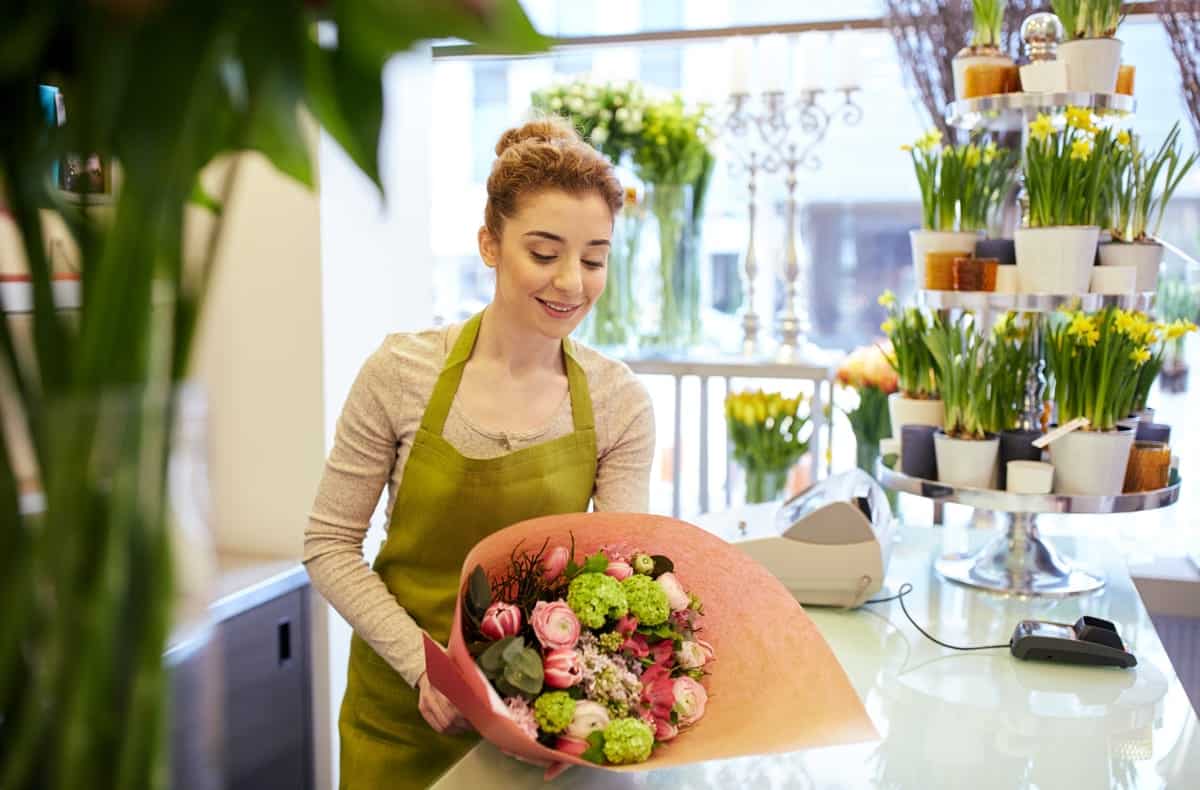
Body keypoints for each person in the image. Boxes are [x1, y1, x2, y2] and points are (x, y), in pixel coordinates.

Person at [304, 116, 655, 789]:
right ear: (489, 244)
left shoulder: (619, 402)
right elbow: (328, 544)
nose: (572, 284)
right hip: (402, 721)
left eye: (593, 258)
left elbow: (615, 582)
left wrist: (575, 708)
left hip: (541, 731)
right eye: (544, 253)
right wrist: (423, 667)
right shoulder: (402, 372)